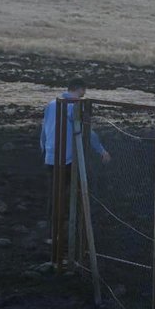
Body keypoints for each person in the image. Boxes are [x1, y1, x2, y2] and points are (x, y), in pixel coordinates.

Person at [41, 80, 110, 231]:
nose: (83, 96)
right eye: (82, 92)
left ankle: (53, 231)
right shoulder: (73, 107)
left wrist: (45, 151)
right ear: (79, 89)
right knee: (78, 189)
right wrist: (101, 150)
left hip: (51, 156)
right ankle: (76, 227)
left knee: (54, 193)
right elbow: (87, 131)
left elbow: (44, 130)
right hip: (67, 159)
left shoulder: (51, 104)